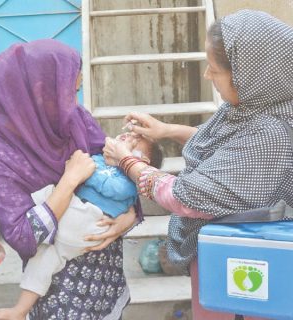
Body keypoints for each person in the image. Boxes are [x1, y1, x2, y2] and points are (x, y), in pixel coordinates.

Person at [103, 10, 293, 320]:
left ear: (247, 74)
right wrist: (166, 131)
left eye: (215, 69)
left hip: (246, 264)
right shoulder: (251, 108)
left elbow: (186, 197)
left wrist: (129, 163)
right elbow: (234, 153)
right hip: (225, 254)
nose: (207, 75)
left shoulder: (271, 133)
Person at [0, 39, 141, 320]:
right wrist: (68, 182)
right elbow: (24, 238)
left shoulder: (76, 119)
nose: (73, 102)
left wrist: (131, 215)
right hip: (61, 299)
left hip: (106, 281)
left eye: (74, 91)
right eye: (68, 92)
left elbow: (117, 173)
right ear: (39, 93)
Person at [0, 134, 162, 320]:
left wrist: (79, 173)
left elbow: (113, 187)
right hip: (69, 246)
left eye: (132, 142)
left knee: (48, 245)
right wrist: (81, 168)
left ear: (141, 161)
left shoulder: (128, 181)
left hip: (88, 226)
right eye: (123, 136)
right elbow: (84, 162)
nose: (124, 137)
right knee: (41, 263)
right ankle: (20, 310)